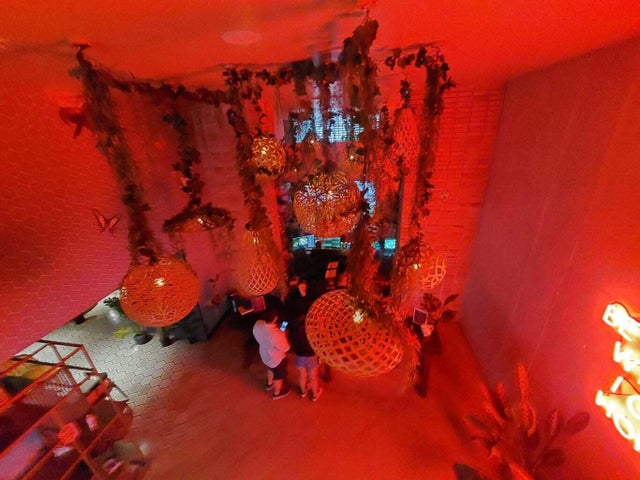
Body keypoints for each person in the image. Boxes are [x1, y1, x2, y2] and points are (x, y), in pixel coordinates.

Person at [252, 310, 291, 399]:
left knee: (270, 368)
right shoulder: (277, 334)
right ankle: (277, 393)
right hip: (276, 359)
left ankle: (269, 384)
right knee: (278, 375)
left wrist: (278, 331)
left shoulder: (257, 324)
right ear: (275, 319)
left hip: (264, 355)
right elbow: (286, 348)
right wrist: (283, 334)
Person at [288, 316, 323, 401]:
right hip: (311, 357)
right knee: (313, 378)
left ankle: (303, 392)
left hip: (299, 357)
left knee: (302, 375)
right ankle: (315, 395)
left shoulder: (292, 334)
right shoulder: (311, 334)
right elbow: (318, 345)